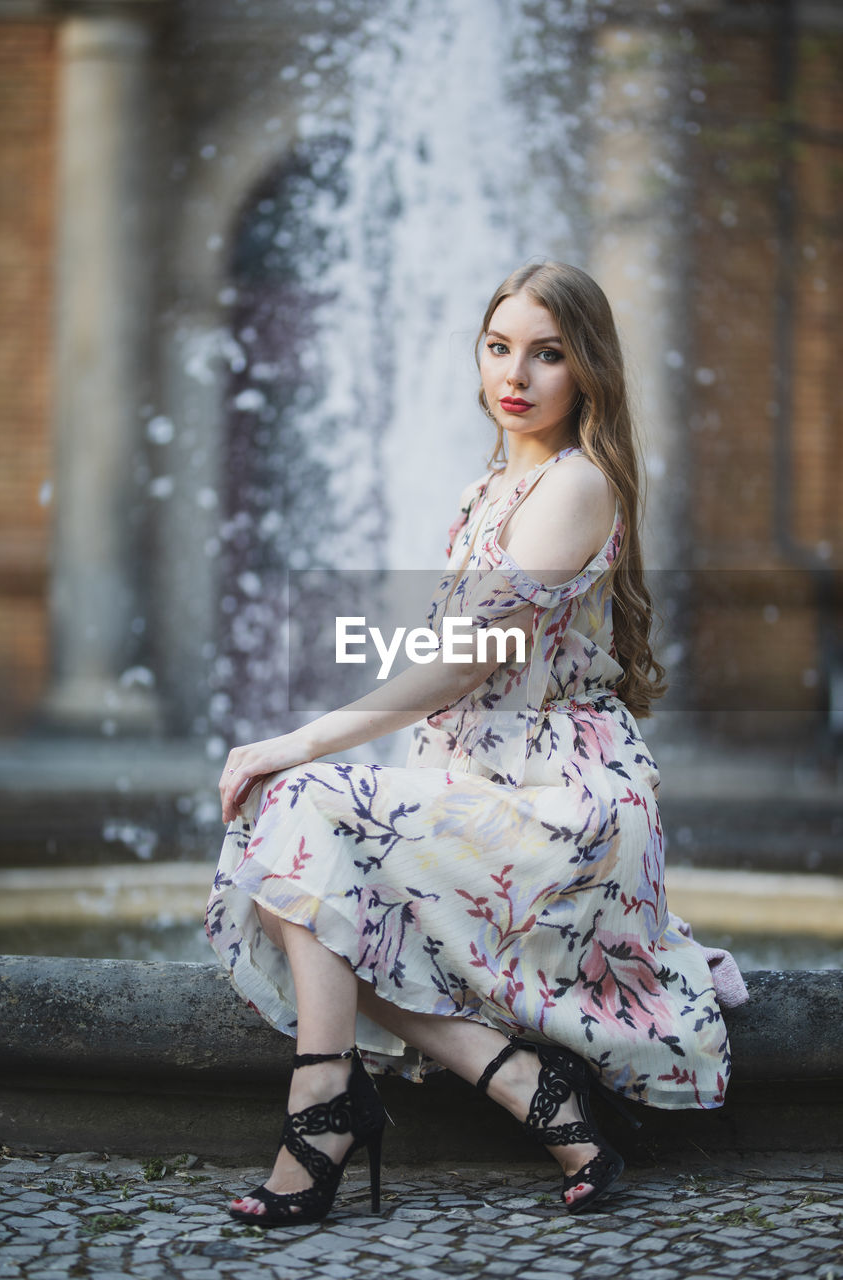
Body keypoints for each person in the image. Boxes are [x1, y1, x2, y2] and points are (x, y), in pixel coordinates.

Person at [205, 260, 742, 1229]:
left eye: (548, 353)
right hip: (482, 780)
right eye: (500, 348)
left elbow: (462, 664)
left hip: (562, 805)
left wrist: (301, 738)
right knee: (307, 857)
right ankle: (510, 1081)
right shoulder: (488, 487)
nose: (518, 374)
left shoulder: (577, 486)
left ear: (587, 371)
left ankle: (329, 1108)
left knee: (299, 809)